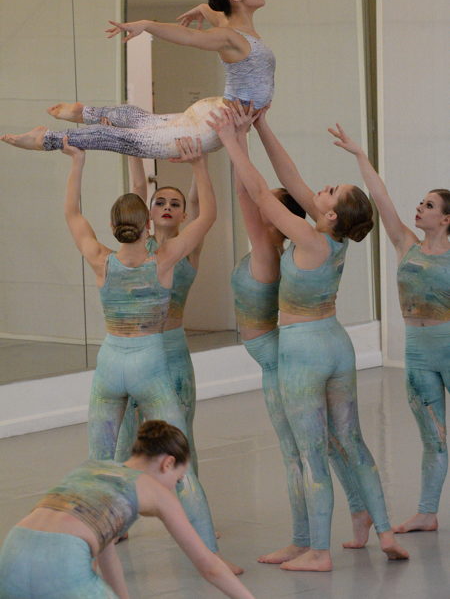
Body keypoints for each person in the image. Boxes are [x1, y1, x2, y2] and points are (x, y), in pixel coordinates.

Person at [208, 108, 409, 571]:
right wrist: (261, 126)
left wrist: (230, 140)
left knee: (311, 452)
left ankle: (317, 550)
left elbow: (263, 194)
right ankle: (383, 531)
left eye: (330, 190)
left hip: (304, 350)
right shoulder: (332, 237)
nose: (321, 188)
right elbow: (290, 176)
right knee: (352, 442)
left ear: (331, 212)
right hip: (336, 343)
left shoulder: (308, 237)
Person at [60, 136, 241, 571]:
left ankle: (85, 555)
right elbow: (208, 216)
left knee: (99, 465)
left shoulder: (100, 258)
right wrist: (200, 165)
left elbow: (72, 214)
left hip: (110, 365)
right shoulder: (164, 259)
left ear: (114, 225)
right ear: (147, 225)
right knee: (181, 464)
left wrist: (77, 162)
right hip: (150, 365)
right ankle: (211, 559)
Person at [1, 0, 274, 157]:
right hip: (211, 127)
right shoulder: (230, 37)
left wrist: (201, 9)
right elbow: (189, 36)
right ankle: (45, 139)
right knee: (130, 140)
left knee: (144, 121)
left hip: (215, 110)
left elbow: (213, 14)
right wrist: (148, 24)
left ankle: (85, 113)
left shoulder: (233, 29)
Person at [329, 122, 450, 535]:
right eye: (421, 203)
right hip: (417, 354)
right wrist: (360, 155)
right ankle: (427, 512)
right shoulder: (406, 244)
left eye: (429, 205)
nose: (420, 208)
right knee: (433, 438)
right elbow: (381, 200)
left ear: (446, 218)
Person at [0, 419, 256, 599]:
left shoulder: (93, 468)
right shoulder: (156, 492)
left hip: (11, 554)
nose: (174, 487)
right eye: (178, 480)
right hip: (62, 562)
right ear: (168, 463)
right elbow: (209, 566)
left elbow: (106, 556)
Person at [114, 155, 208, 478]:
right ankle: (123, 502)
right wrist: (132, 149)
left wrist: (199, 161)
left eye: (174, 204)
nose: (167, 207)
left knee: (180, 434)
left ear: (183, 215)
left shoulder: (189, 248)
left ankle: (189, 502)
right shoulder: (141, 247)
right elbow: (137, 188)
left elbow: (199, 203)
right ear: (149, 214)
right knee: (127, 434)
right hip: (139, 350)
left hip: (173, 351)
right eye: (160, 203)